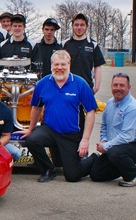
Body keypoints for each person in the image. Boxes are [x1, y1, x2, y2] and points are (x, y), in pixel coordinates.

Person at [18, 50, 98, 182]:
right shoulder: (43, 83)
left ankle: (93, 158)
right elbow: (36, 107)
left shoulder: (80, 83)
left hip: (70, 134)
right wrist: (30, 129)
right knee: (31, 139)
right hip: (49, 130)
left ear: (69, 64)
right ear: (51, 65)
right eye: (56, 64)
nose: (59, 68)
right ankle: (48, 170)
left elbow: (90, 112)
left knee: (72, 176)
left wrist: (85, 139)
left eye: (63, 64)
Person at [90, 73, 136, 187]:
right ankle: (123, 167)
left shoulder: (133, 108)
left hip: (134, 146)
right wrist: (104, 140)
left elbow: (127, 136)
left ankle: (134, 174)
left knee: (115, 153)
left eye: (122, 85)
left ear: (129, 88)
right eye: (115, 85)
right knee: (96, 174)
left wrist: (106, 146)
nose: (118, 88)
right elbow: (104, 125)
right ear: (111, 86)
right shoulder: (109, 103)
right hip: (115, 147)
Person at [62, 13, 106, 94]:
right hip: (67, 86)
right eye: (76, 25)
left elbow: (97, 67)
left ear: (87, 26)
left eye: (82, 25)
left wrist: (96, 87)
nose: (79, 28)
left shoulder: (93, 45)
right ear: (72, 26)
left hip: (86, 87)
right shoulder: (65, 44)